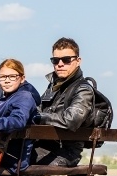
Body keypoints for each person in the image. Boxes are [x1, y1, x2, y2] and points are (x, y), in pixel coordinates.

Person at [30, 37, 95, 167]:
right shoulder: (53, 87)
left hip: (65, 152)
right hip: (41, 146)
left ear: (78, 61)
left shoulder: (83, 90)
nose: (60, 64)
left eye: (66, 60)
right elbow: (37, 108)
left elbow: (71, 120)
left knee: (15, 165)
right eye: (55, 60)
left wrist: (37, 117)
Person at [0, 59, 39, 173]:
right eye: (3, 77)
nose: (7, 81)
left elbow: (18, 120)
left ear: (22, 78)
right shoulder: (7, 98)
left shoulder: (24, 97)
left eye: (12, 76)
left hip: (14, 159)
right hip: (4, 151)